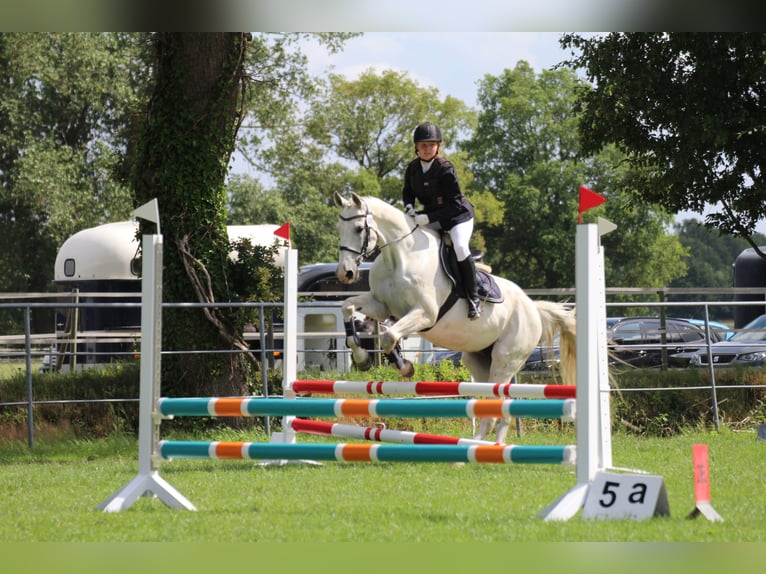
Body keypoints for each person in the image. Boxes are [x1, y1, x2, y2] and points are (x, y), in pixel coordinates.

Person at [402, 122, 481, 320]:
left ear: (438, 146)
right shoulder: (412, 168)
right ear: (416, 147)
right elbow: (407, 192)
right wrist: (409, 206)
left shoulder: (445, 169)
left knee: (460, 247)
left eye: (431, 145)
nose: (427, 149)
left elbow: (454, 206)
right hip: (433, 216)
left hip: (458, 217)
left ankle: (474, 297)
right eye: (423, 145)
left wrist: (428, 217)